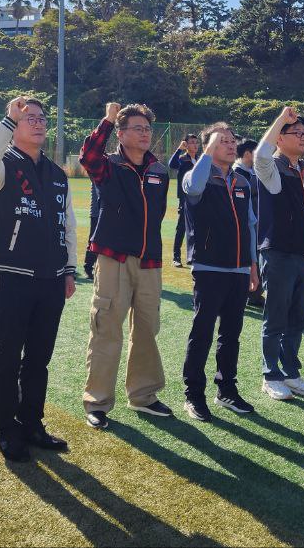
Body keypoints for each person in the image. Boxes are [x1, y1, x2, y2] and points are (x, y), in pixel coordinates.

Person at [0, 97, 78, 461]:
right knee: (8, 355)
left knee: (39, 357)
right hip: (15, 277)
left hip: (52, 280)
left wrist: (69, 269)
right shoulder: (2, 166)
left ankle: (32, 422)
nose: (36, 123)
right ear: (13, 125)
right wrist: (7, 119)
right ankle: (6, 428)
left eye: (40, 118)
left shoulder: (56, 173)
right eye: (27, 118)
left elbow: (67, 223)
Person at [80, 102, 172, 429]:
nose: (145, 133)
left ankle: (143, 395)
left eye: (147, 128)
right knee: (106, 328)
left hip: (149, 262)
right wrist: (107, 119)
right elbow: (88, 156)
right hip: (114, 258)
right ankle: (97, 402)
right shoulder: (108, 165)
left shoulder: (159, 171)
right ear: (120, 134)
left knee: (147, 329)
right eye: (137, 128)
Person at [180, 123, 261, 420]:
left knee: (231, 334)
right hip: (209, 267)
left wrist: (252, 266)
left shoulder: (242, 181)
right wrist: (207, 151)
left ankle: (226, 389)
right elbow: (194, 188)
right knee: (202, 333)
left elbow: (250, 225)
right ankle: (193, 394)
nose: (230, 145)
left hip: (239, 269)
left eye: (231, 141)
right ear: (209, 145)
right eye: (222, 141)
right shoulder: (196, 175)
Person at [253, 106, 304, 401]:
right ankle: (271, 375)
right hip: (278, 253)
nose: (303, 137)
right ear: (279, 139)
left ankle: (291, 373)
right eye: (296, 132)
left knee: (298, 319)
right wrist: (282, 118)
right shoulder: (272, 168)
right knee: (276, 318)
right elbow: (260, 155)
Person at [234, 138, 266, 308]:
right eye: (256, 151)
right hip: (243, 225)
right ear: (247, 153)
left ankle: (254, 294)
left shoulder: (253, 171)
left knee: (256, 257)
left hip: (257, 223)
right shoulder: (236, 173)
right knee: (246, 257)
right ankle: (247, 293)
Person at [169, 133, 200, 267]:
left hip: (199, 199)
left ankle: (193, 256)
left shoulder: (200, 160)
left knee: (197, 228)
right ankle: (176, 257)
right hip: (185, 199)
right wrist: (179, 149)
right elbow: (172, 164)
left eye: (196, 142)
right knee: (181, 228)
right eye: (192, 142)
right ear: (186, 145)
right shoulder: (182, 159)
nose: (195, 145)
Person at [84, 181, 101, 279]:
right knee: (93, 241)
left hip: (104, 212)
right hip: (96, 213)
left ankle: (91, 267)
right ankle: (88, 267)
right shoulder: (98, 175)